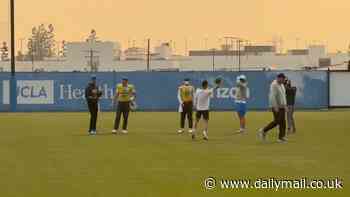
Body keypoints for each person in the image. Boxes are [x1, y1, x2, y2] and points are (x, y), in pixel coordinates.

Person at [258, 73, 288, 142]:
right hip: (277, 106)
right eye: (283, 79)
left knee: (283, 122)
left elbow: (283, 96)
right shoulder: (274, 85)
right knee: (277, 121)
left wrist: (285, 105)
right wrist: (275, 106)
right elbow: (272, 96)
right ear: (279, 78)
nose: (284, 81)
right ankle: (263, 130)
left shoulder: (282, 85)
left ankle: (281, 137)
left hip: (282, 106)